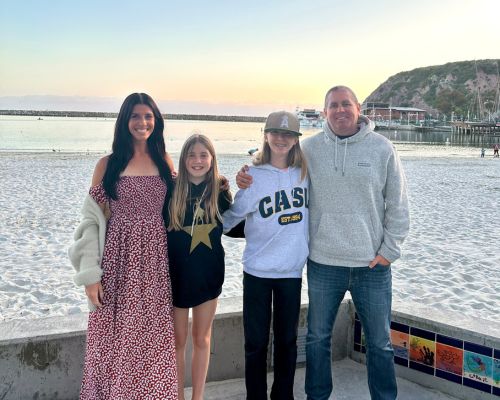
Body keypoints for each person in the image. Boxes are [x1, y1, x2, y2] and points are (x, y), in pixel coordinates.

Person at [237, 86, 409, 400]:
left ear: (358, 108)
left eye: (346, 104)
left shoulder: (383, 148)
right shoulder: (309, 149)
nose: (340, 110)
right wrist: (245, 176)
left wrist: (389, 251)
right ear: (325, 111)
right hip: (323, 264)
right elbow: (276, 168)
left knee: (380, 343)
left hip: (371, 266)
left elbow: (398, 204)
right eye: (333, 105)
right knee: (317, 339)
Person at [69, 92, 178, 399]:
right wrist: (90, 276)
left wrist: (220, 185)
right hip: (117, 261)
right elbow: (90, 221)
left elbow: (183, 203)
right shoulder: (107, 164)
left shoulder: (164, 160)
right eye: (135, 116)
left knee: (152, 337)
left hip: (155, 264)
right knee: (112, 338)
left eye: (148, 116)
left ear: (156, 122)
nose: (142, 122)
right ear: (124, 121)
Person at [225, 111, 309, 399]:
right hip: (257, 271)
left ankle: (283, 395)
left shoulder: (306, 174)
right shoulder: (253, 176)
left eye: (288, 134)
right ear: (266, 135)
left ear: (296, 140)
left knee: (287, 341)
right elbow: (231, 218)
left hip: (291, 271)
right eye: (275, 133)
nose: (281, 139)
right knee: (256, 343)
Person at [167, 133, 232, 400]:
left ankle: (198, 397)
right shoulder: (171, 189)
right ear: (183, 159)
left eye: (203, 155)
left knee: (202, 338)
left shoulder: (220, 190)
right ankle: (178, 396)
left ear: (212, 159)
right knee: (177, 341)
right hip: (176, 278)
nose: (197, 160)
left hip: (208, 276)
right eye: (191, 155)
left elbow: (238, 224)